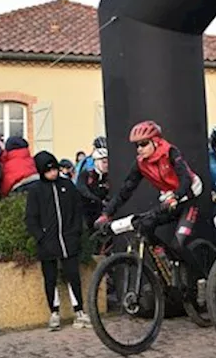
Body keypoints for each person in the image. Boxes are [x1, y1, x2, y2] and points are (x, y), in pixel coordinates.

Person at [96, 120, 203, 268]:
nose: (139, 149)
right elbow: (125, 190)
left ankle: (201, 279)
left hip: (188, 198)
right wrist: (106, 214)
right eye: (137, 145)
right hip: (169, 201)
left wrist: (176, 196)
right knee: (145, 225)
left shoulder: (171, 152)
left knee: (178, 245)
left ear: (156, 141)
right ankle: (165, 263)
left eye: (144, 144)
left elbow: (185, 179)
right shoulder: (141, 163)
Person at [26, 151, 87, 331]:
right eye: (48, 170)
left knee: (72, 275)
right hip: (47, 242)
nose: (53, 173)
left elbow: (77, 209)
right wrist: (40, 236)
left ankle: (80, 311)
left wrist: (76, 231)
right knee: (50, 278)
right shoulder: (36, 190)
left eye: (54, 169)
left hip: (68, 239)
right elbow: (31, 217)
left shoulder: (67, 185)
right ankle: (54, 312)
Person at [75, 147, 110, 230]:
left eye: (108, 162)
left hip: (103, 213)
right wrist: (96, 199)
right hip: (88, 213)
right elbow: (82, 189)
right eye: (104, 162)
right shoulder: (86, 174)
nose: (107, 165)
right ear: (96, 162)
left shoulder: (109, 176)